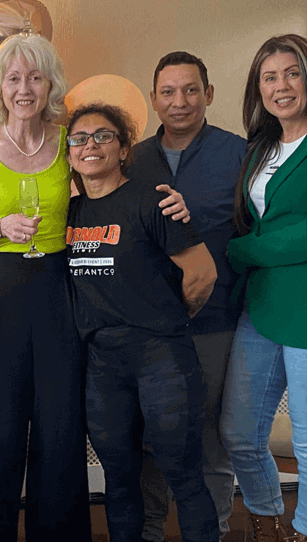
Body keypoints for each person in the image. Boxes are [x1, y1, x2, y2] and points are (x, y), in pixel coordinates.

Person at [0, 33, 92, 540]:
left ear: (49, 84)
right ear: (0, 86)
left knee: (59, 431)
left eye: (35, 77)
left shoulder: (70, 141)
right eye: (13, 78)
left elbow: (96, 204)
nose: (24, 88)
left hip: (57, 289)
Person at [66, 102, 219, 542]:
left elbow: (202, 272)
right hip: (102, 365)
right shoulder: (70, 215)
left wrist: (166, 320)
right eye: (79, 139)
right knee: (119, 478)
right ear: (70, 154)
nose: (89, 145)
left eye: (103, 136)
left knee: (183, 475)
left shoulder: (153, 202)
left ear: (124, 149)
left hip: (161, 356)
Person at [129, 52, 247, 541]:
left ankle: (214, 531)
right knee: (152, 436)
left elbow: (250, 231)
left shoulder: (239, 154)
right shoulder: (130, 158)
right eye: (169, 92)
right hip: (148, 328)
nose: (181, 102)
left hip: (215, 322)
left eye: (192, 90)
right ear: (154, 99)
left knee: (210, 436)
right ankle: (149, 530)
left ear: (209, 95)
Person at [219, 34, 307, 542]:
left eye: (292, 72)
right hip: (260, 306)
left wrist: (243, 250)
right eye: (269, 77)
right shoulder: (259, 148)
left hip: (303, 310)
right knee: (238, 432)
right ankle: (267, 521)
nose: (281, 86)